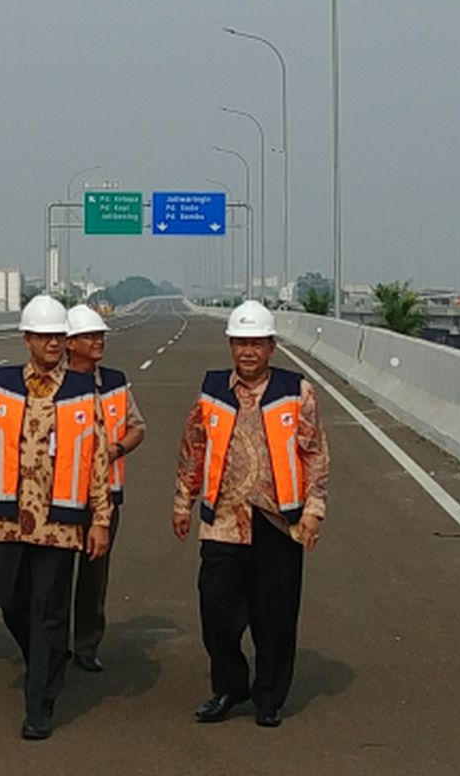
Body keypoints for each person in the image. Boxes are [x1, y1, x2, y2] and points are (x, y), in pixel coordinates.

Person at [171, 299, 330, 728]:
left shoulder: (297, 392)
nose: (248, 352)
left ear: (271, 347)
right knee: (216, 612)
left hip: (280, 519)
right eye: (241, 343)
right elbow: (193, 448)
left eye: (257, 344)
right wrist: (183, 501)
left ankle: (269, 698)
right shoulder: (212, 391)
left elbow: (314, 453)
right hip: (223, 517)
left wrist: (314, 511)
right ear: (230, 345)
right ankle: (229, 686)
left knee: (275, 617)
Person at [0, 295, 113, 741]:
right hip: (8, 519)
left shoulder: (83, 391)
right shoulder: (3, 386)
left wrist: (100, 518)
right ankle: (44, 660)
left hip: (61, 522)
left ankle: (40, 703)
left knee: (49, 611)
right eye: (44, 336)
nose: (52, 344)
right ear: (26, 339)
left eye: (58, 337)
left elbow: (98, 459)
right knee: (9, 599)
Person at [64, 305, 146, 673]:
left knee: (94, 575)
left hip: (106, 496)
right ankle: (51, 642)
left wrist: (115, 449)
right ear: (69, 343)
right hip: (60, 494)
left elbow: (136, 427)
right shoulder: (54, 383)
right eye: (90, 337)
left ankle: (85, 645)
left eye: (101, 336)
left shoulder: (115, 382)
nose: (99, 342)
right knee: (54, 575)